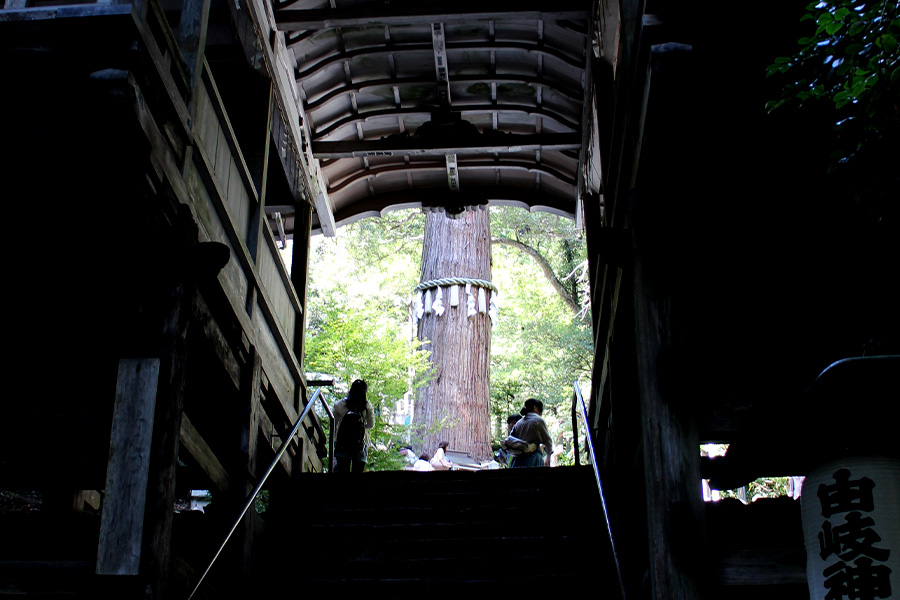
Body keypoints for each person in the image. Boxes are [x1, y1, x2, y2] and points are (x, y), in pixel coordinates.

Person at [332, 379, 375, 472]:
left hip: (342, 443)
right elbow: (371, 424)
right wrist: (363, 427)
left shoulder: (340, 404)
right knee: (357, 473)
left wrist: (335, 439)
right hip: (360, 443)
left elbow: (334, 424)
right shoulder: (367, 406)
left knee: (343, 472)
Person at [508, 398, 553, 468]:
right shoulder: (539, 420)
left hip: (517, 460)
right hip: (534, 459)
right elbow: (547, 440)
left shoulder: (519, 423)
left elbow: (510, 439)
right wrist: (548, 457)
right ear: (535, 408)